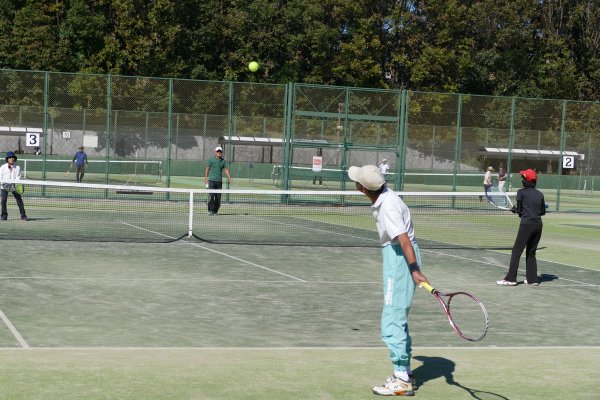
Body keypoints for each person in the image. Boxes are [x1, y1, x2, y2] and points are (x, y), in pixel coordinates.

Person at [347, 165, 428, 396]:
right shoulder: (387, 197)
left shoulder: (388, 206)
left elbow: (403, 239)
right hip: (397, 255)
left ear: (362, 188)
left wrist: (414, 269)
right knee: (398, 317)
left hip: (400, 258)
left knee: (392, 318)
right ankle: (406, 373)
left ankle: (401, 380)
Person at [497, 169, 545, 286]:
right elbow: (542, 212)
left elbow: (519, 211)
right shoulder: (540, 194)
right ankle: (533, 279)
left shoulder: (521, 192)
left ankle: (511, 279)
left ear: (525, 181)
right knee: (531, 252)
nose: (522, 180)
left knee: (516, 251)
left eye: (523, 178)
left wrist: (515, 210)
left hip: (526, 225)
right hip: (538, 225)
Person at [1, 151, 28, 221]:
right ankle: (4, 216)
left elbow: (18, 177)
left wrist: (13, 185)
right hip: (4, 186)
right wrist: (5, 184)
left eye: (13, 157)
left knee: (19, 200)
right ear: (7, 159)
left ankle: (23, 216)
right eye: (10, 157)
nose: (11, 159)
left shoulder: (17, 167)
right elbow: (0, 177)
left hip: (14, 186)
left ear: (14, 159)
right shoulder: (3, 167)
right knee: (3, 200)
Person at [204, 146, 232, 215]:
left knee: (218, 197)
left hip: (219, 181)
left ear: (221, 153)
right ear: (215, 152)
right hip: (211, 181)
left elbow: (226, 169)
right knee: (211, 196)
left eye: (220, 152)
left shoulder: (223, 161)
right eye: (217, 151)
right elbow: (207, 169)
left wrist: (229, 177)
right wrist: (206, 179)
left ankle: (215, 211)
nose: (219, 153)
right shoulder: (211, 160)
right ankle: (210, 210)